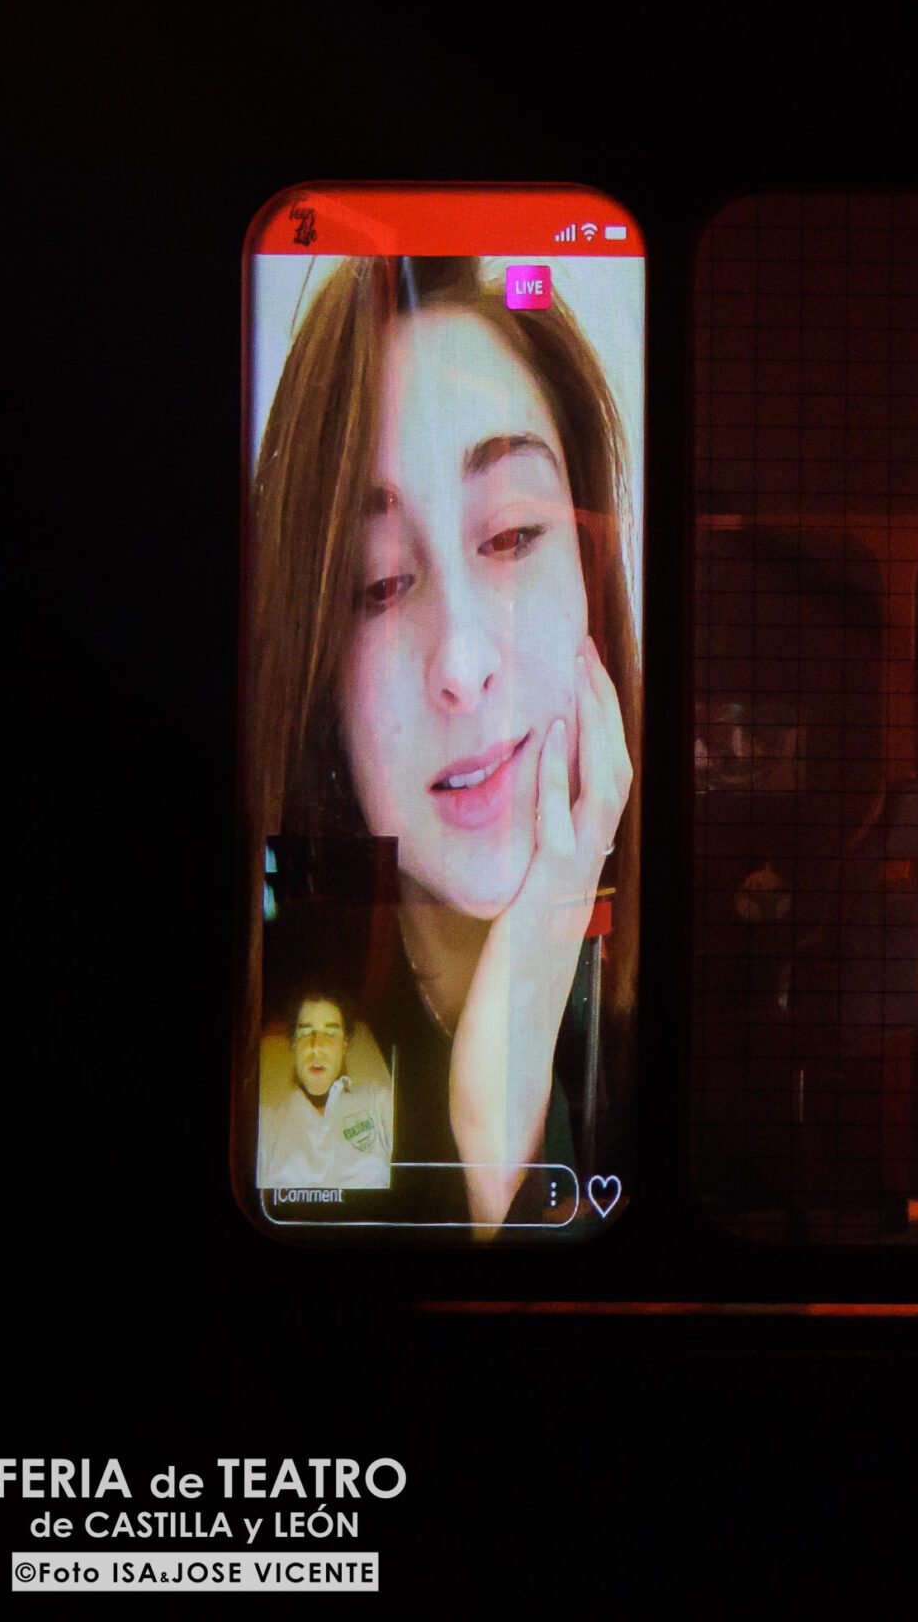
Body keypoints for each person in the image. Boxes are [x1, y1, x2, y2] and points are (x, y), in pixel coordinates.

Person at [247, 256, 638, 1235]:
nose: (462, 662)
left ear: (592, 576)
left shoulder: (707, 965)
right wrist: (492, 1141)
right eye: (379, 584)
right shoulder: (308, 968)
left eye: (511, 537)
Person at [257, 995, 393, 1190]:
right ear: (294, 1045)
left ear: (344, 1046)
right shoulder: (265, 1124)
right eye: (305, 1033)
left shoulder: (377, 1102)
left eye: (330, 1034)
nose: (316, 1046)